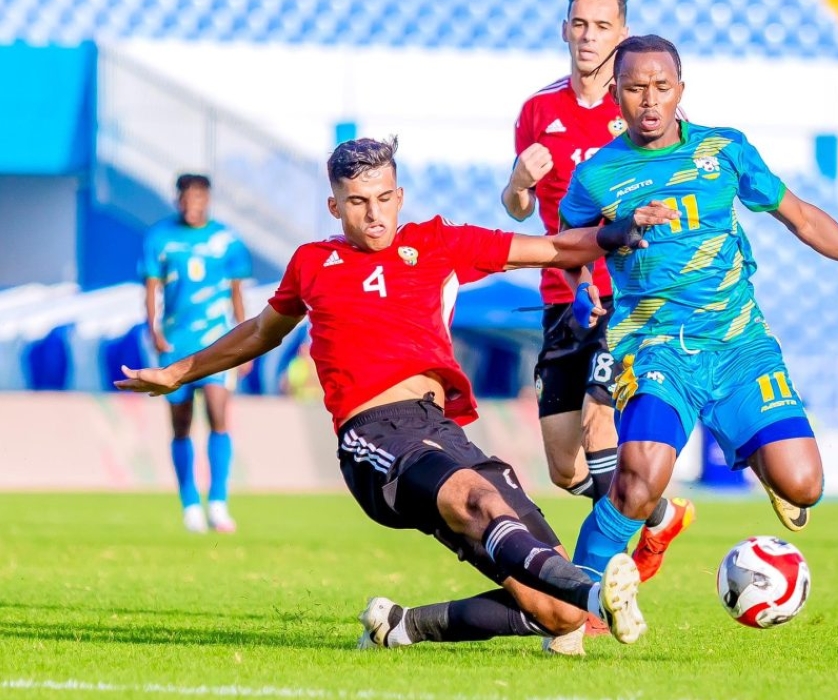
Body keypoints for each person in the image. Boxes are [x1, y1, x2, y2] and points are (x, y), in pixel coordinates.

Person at [118, 137, 677, 654]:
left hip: (442, 431)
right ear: (335, 206)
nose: (375, 213)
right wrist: (176, 373)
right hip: (374, 436)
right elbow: (262, 332)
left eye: (384, 198)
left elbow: (552, 248)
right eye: (358, 201)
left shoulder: (436, 243)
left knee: (554, 614)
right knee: (475, 501)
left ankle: (401, 626)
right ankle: (591, 589)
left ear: (400, 195)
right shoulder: (313, 263)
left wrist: (614, 234)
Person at [557, 35, 838, 581]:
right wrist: (581, 286)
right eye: (636, 88)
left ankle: (764, 464)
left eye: (662, 87)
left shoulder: (725, 150)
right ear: (615, 94)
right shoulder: (597, 175)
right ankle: (576, 608)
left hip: (739, 343)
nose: (649, 100)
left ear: (680, 91)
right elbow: (569, 244)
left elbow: (804, 219)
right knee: (639, 482)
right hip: (654, 348)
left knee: (805, 484)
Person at [500, 0, 693, 585]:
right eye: (579, 24)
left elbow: (681, 181)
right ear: (565, 30)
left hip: (628, 298)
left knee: (599, 427)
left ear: (622, 33)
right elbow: (518, 208)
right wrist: (517, 183)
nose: (588, 36)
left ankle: (603, 583)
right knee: (563, 466)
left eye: (602, 25)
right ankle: (658, 513)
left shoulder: (641, 102)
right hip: (563, 294)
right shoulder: (538, 109)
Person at [141, 174, 251, 534]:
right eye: (187, 197)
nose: (193, 203)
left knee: (219, 414)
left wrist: (245, 342)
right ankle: (190, 504)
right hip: (176, 345)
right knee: (181, 424)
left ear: (208, 199)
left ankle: (218, 503)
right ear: (178, 200)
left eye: (199, 197)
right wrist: (154, 330)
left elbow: (237, 293)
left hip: (217, 343)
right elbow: (151, 289)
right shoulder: (159, 238)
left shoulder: (226, 240)